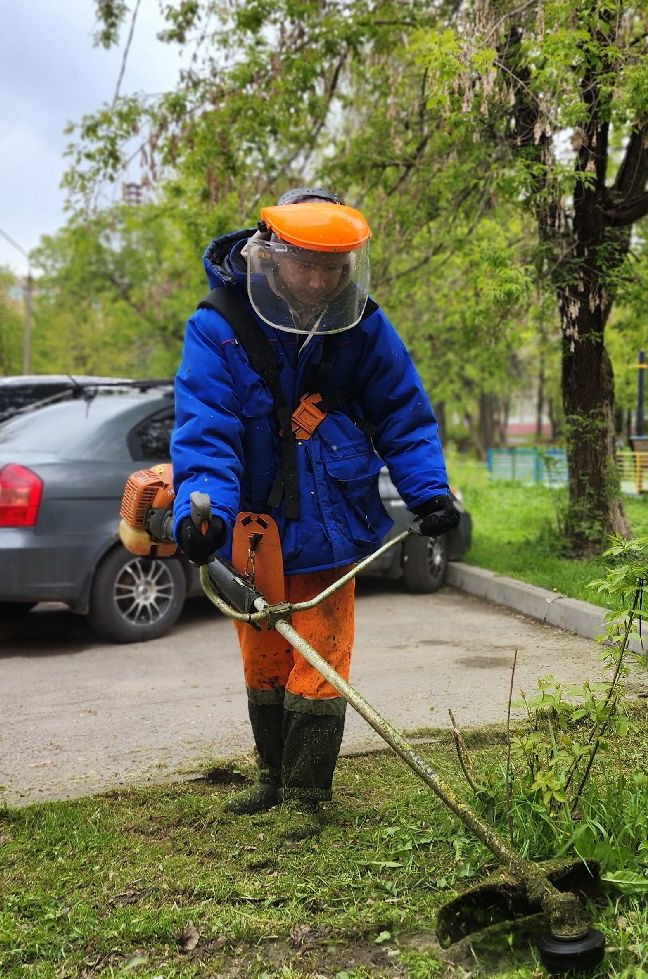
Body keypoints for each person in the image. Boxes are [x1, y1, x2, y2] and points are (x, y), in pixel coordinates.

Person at [169, 188, 459, 837]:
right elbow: (206, 427)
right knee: (264, 656)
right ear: (271, 256)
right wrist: (205, 513)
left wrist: (429, 492)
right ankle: (270, 778)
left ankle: (306, 792)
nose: (321, 280)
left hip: (332, 520)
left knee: (322, 655)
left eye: (335, 268)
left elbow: (403, 415)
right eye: (308, 265)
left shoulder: (364, 327)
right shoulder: (218, 326)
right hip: (255, 531)